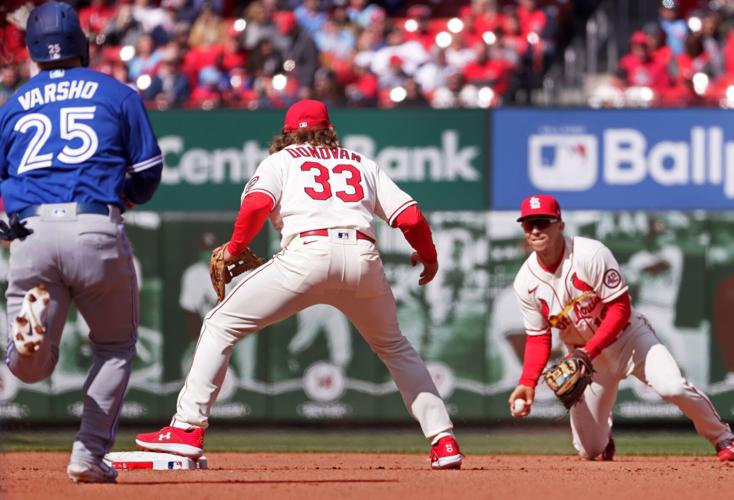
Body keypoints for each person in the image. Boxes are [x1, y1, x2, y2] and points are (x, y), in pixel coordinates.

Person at [136, 99, 463, 470]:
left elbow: (257, 204)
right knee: (395, 348)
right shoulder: (361, 162)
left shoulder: (281, 160)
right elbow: (410, 217)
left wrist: (235, 249)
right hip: (362, 258)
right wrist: (429, 256)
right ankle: (444, 441)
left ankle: (187, 429)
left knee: (218, 324)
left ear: (288, 134)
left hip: (308, 254)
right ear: (330, 131)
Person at [0, 2, 162, 483]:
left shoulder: (13, 105)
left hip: (31, 231)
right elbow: (148, 171)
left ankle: (28, 346)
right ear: (83, 46)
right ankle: (88, 455)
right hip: (95, 226)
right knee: (114, 347)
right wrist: (123, 197)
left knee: (29, 368)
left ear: (32, 50)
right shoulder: (116, 93)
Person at [507, 194, 734, 462]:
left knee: (673, 387)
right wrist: (527, 382)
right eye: (528, 223)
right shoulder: (525, 282)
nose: (535, 229)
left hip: (629, 339)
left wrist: (586, 353)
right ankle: (604, 439)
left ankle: (723, 437)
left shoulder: (590, 254)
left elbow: (620, 309)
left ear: (560, 225)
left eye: (543, 222)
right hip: (587, 359)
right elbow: (538, 338)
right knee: (589, 450)